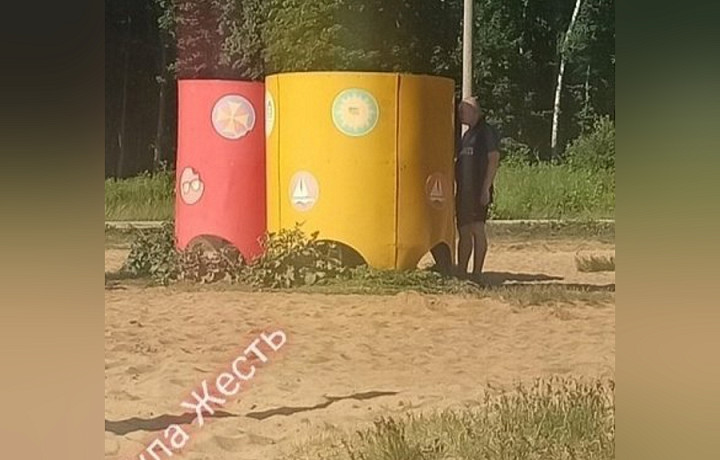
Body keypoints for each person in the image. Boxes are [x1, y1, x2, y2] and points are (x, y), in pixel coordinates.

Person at [454, 97, 500, 281]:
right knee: (464, 231)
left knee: (477, 229)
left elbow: (493, 159)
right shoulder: (466, 135)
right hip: (463, 193)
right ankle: (462, 271)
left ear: (474, 111)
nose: (460, 115)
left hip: (477, 190)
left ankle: (477, 273)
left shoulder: (485, 132)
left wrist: (485, 188)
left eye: (463, 111)